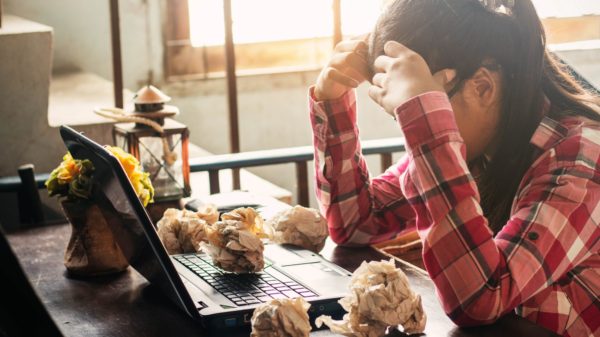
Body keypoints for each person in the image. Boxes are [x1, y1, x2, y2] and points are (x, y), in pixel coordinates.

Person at [308, 0, 600, 336]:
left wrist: (427, 125)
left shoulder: (579, 160)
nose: (411, 131)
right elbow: (356, 222)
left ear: (483, 88)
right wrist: (333, 99)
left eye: (426, 108)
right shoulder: (481, 146)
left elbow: (480, 297)